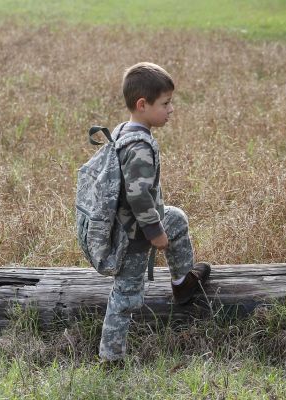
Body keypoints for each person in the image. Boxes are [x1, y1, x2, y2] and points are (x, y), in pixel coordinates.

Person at [98, 62, 211, 364]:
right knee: (126, 296)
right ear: (142, 105)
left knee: (176, 219)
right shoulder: (138, 146)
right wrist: (154, 232)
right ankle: (112, 358)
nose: (171, 110)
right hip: (132, 235)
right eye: (165, 104)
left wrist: (160, 224)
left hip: (134, 224)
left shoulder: (125, 130)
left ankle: (182, 284)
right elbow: (138, 196)